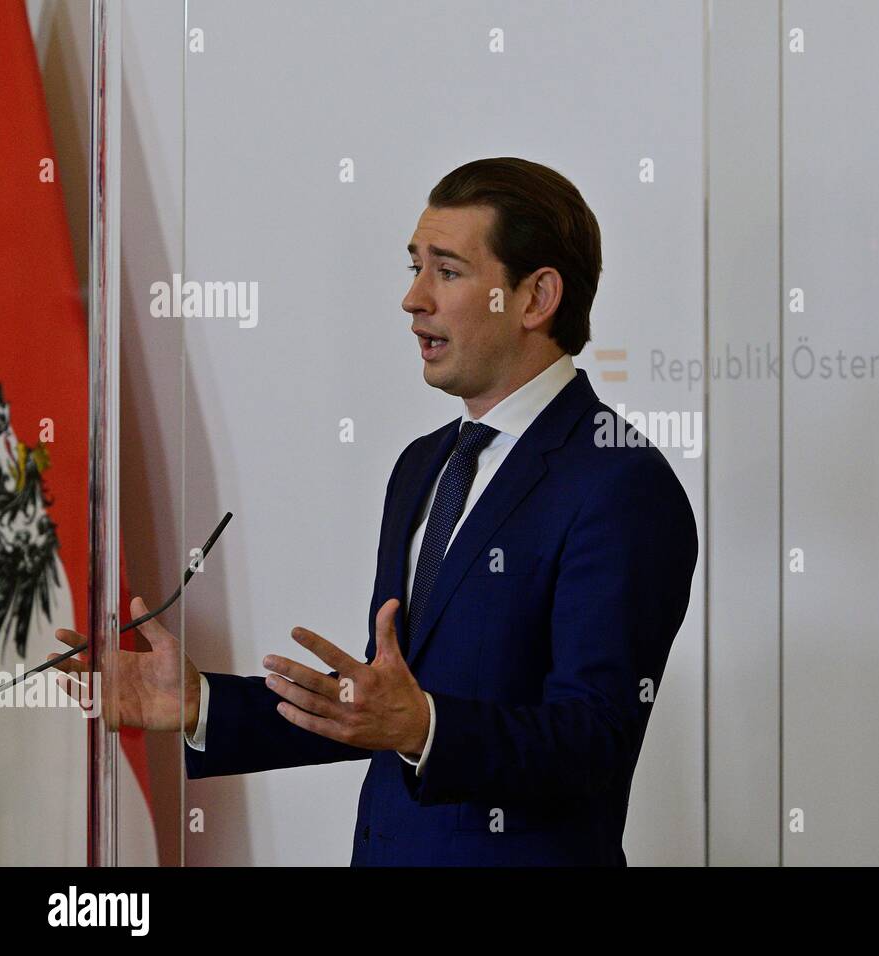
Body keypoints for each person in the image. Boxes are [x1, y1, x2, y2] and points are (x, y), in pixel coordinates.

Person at [52, 157, 698, 866]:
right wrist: (202, 704)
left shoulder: (619, 482)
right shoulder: (424, 466)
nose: (413, 298)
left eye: (447, 271)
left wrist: (424, 725)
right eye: (415, 266)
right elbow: (373, 704)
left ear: (536, 297)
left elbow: (595, 740)